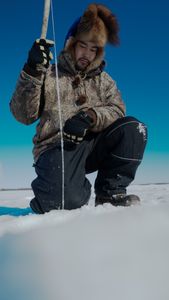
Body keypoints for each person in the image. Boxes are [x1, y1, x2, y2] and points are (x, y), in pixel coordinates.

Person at [10, 3, 147, 214]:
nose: (87, 54)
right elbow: (23, 115)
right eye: (83, 45)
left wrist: (90, 117)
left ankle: (110, 194)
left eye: (94, 49)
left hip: (91, 147)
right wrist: (31, 70)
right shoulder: (47, 74)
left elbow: (117, 109)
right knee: (64, 204)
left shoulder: (105, 81)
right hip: (55, 149)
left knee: (133, 128)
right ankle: (55, 194)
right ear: (71, 44)